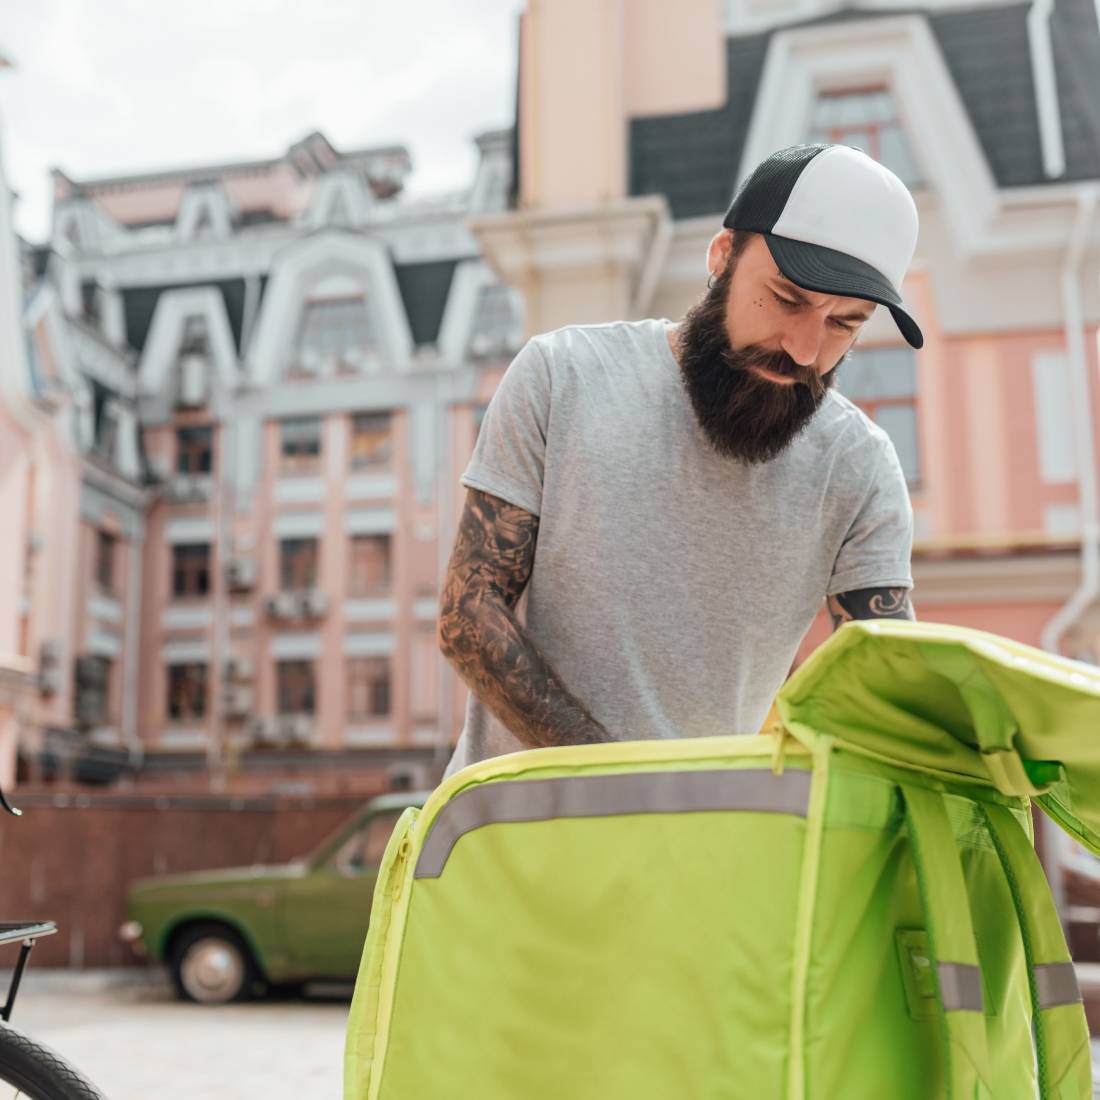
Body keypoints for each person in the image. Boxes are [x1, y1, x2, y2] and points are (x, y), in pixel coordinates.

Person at [438, 143, 920, 781]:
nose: (806, 350)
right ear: (723, 258)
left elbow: (890, 680)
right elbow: (467, 613)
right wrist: (627, 786)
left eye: (845, 324)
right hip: (509, 844)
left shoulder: (858, 466)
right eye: (786, 298)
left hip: (699, 854)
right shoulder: (562, 377)